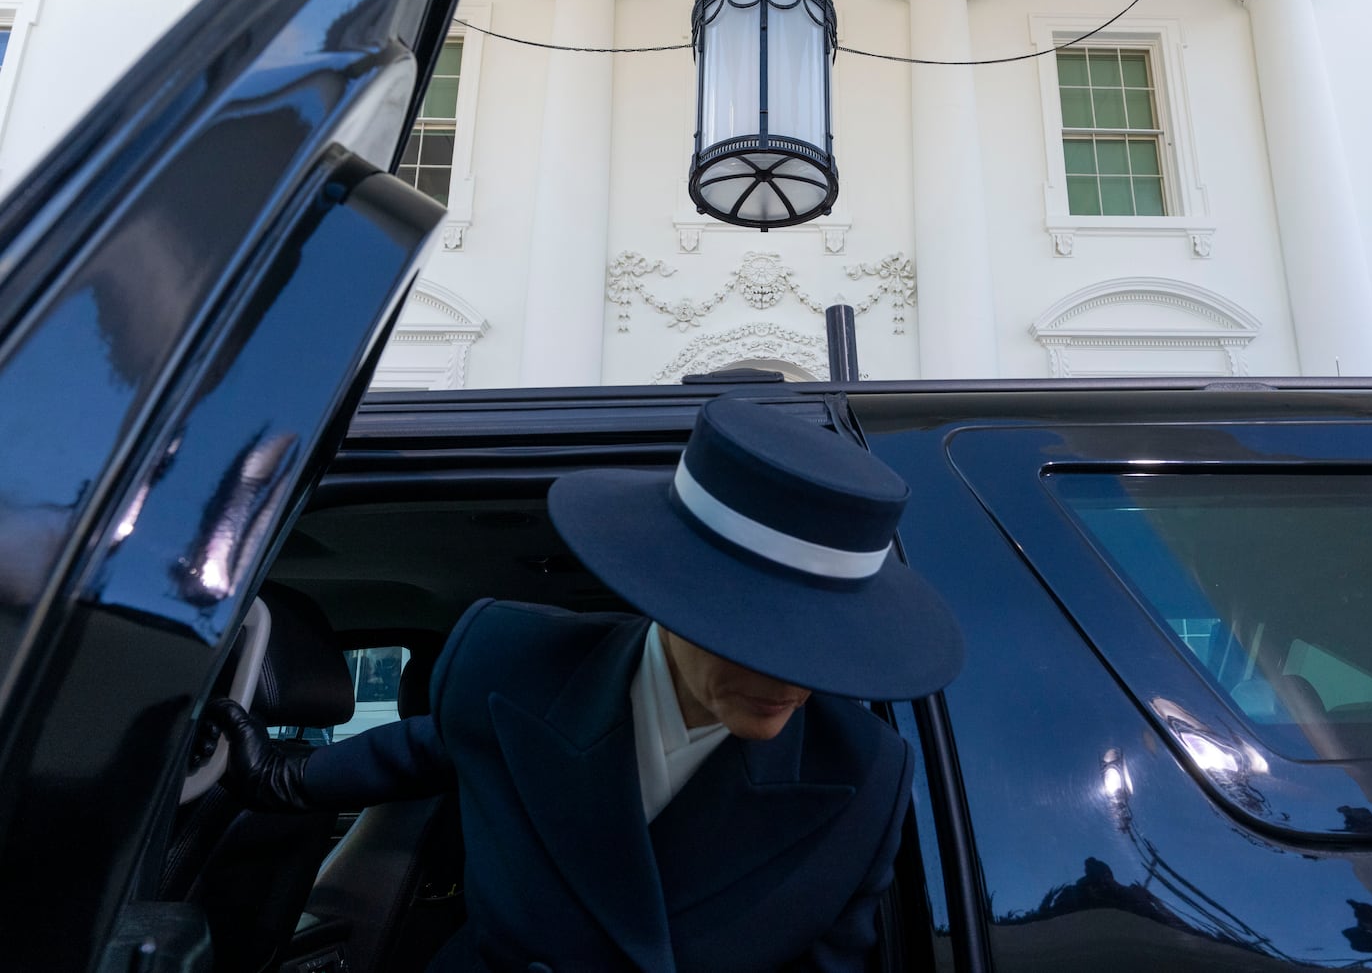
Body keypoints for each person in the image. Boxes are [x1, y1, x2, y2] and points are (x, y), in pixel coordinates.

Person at [208, 395, 965, 972]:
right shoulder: (510, 661)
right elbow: (426, 745)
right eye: (760, 631)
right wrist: (278, 777)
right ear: (673, 594)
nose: (798, 676)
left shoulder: (865, 776)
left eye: (830, 644)